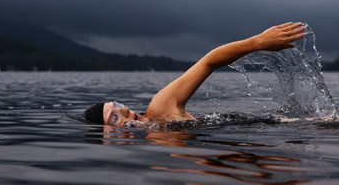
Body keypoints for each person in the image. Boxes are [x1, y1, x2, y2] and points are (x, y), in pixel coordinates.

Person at [84, 22, 306, 126]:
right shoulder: (157, 144)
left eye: (118, 105)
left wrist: (258, 42)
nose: (124, 110)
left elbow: (208, 62)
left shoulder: (159, 110)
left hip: (293, 126)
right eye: (114, 117)